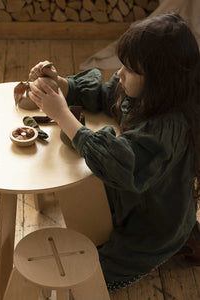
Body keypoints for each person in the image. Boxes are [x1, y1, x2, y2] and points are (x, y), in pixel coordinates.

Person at [27, 13, 200, 291]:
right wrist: (64, 85)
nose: (119, 73)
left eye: (130, 70)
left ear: (160, 79)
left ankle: (176, 241)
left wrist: (63, 116)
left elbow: (121, 164)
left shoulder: (169, 128)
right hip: (133, 201)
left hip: (150, 227)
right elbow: (108, 95)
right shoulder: (148, 95)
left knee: (84, 280)